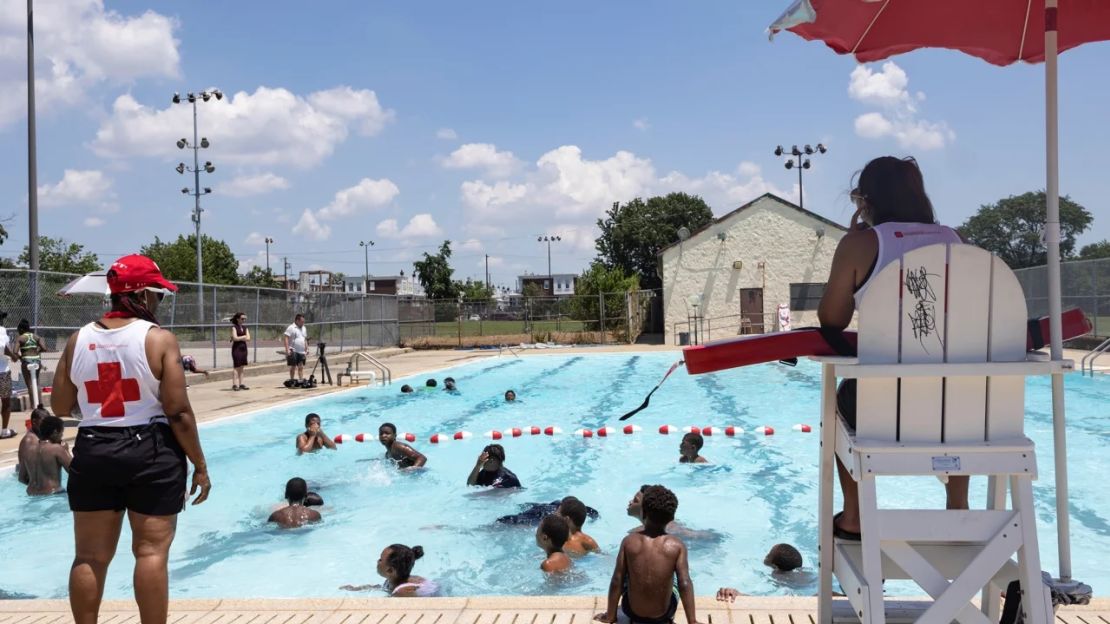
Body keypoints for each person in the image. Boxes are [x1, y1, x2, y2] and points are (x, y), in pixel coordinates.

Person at [50, 254, 211, 624]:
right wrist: (200, 466)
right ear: (140, 294)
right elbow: (178, 412)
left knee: (89, 556)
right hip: (150, 450)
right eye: (159, 294)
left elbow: (59, 404)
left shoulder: (78, 339)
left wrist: (100, 409)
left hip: (94, 448)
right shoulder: (158, 340)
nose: (160, 302)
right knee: (151, 552)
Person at [818, 156, 965, 541]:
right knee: (961, 387)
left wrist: (854, 240)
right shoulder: (954, 240)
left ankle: (854, 516)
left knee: (834, 409)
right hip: (955, 407)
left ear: (866, 201)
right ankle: (958, 505)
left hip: (880, 406)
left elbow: (832, 319)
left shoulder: (860, 245)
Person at [595, 485, 698, 624]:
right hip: (664, 614)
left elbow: (616, 580)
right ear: (672, 517)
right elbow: (684, 583)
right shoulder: (677, 546)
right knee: (675, 581)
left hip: (631, 611)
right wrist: (692, 621)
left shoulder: (629, 541)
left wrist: (611, 616)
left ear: (644, 513)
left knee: (627, 575)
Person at [340, 544, 439, 596]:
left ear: (390, 571)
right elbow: (382, 587)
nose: (377, 561)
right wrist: (356, 589)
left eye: (380, 560)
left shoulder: (402, 592)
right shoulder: (395, 578)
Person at [716, 544, 804, 603]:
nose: (766, 555)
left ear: (775, 566)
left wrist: (740, 595)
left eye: (769, 554)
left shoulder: (779, 579)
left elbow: (767, 601)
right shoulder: (807, 575)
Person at [24, 415, 72, 495]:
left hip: (31, 494)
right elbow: (75, 471)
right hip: (52, 495)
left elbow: (22, 478)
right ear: (55, 432)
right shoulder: (57, 449)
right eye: (61, 433)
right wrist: (66, 450)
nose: (61, 437)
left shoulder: (28, 450)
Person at [15, 318, 48, 409]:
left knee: (29, 384)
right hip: (37, 360)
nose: (18, 331)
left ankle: (33, 406)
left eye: (18, 329)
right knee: (37, 383)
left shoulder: (20, 338)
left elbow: (14, 351)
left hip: (26, 362)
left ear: (21, 329)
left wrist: (21, 358)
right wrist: (37, 351)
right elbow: (44, 348)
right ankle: (40, 405)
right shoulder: (36, 337)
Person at [17, 407, 48, 484]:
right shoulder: (29, 441)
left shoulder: (42, 435)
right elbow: (23, 475)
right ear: (34, 422)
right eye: (45, 422)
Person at [0, 311, 15, 438]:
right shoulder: (1, 330)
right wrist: (14, 356)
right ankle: (4, 431)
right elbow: (2, 347)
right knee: (6, 402)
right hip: (2, 372)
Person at [283, 313, 308, 385]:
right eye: (302, 321)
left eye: (304, 322)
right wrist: (287, 349)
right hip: (293, 350)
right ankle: (292, 380)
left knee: (301, 366)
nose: (303, 323)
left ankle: (301, 380)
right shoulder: (291, 327)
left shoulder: (304, 328)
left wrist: (307, 348)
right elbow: (286, 338)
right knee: (293, 366)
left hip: (301, 351)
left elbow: (304, 339)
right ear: (297, 320)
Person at [229, 312, 250, 391]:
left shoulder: (245, 328)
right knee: (236, 366)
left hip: (243, 348)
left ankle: (241, 384)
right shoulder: (234, 327)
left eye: (245, 319)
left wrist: (241, 337)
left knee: (242, 367)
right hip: (236, 348)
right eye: (242, 318)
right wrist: (243, 336)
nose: (244, 320)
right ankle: (234, 384)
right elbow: (235, 338)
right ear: (238, 319)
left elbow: (248, 338)